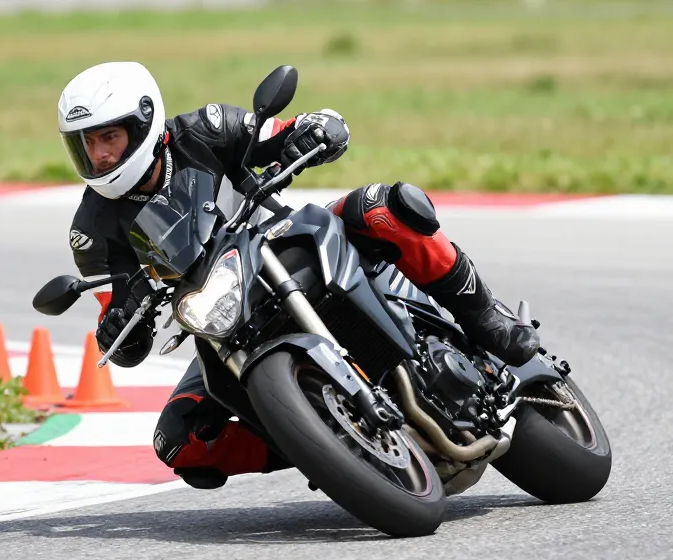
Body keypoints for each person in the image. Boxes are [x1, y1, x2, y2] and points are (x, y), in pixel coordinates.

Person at [58, 61, 540, 489]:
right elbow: (121, 326)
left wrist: (315, 129)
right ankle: (322, 443)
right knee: (178, 439)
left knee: (382, 207)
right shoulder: (91, 230)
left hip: (284, 246)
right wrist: (118, 326)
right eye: (87, 144)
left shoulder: (203, 130)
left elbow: (278, 132)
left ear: (145, 124)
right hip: (220, 315)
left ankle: (484, 315)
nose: (98, 155)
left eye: (109, 138)